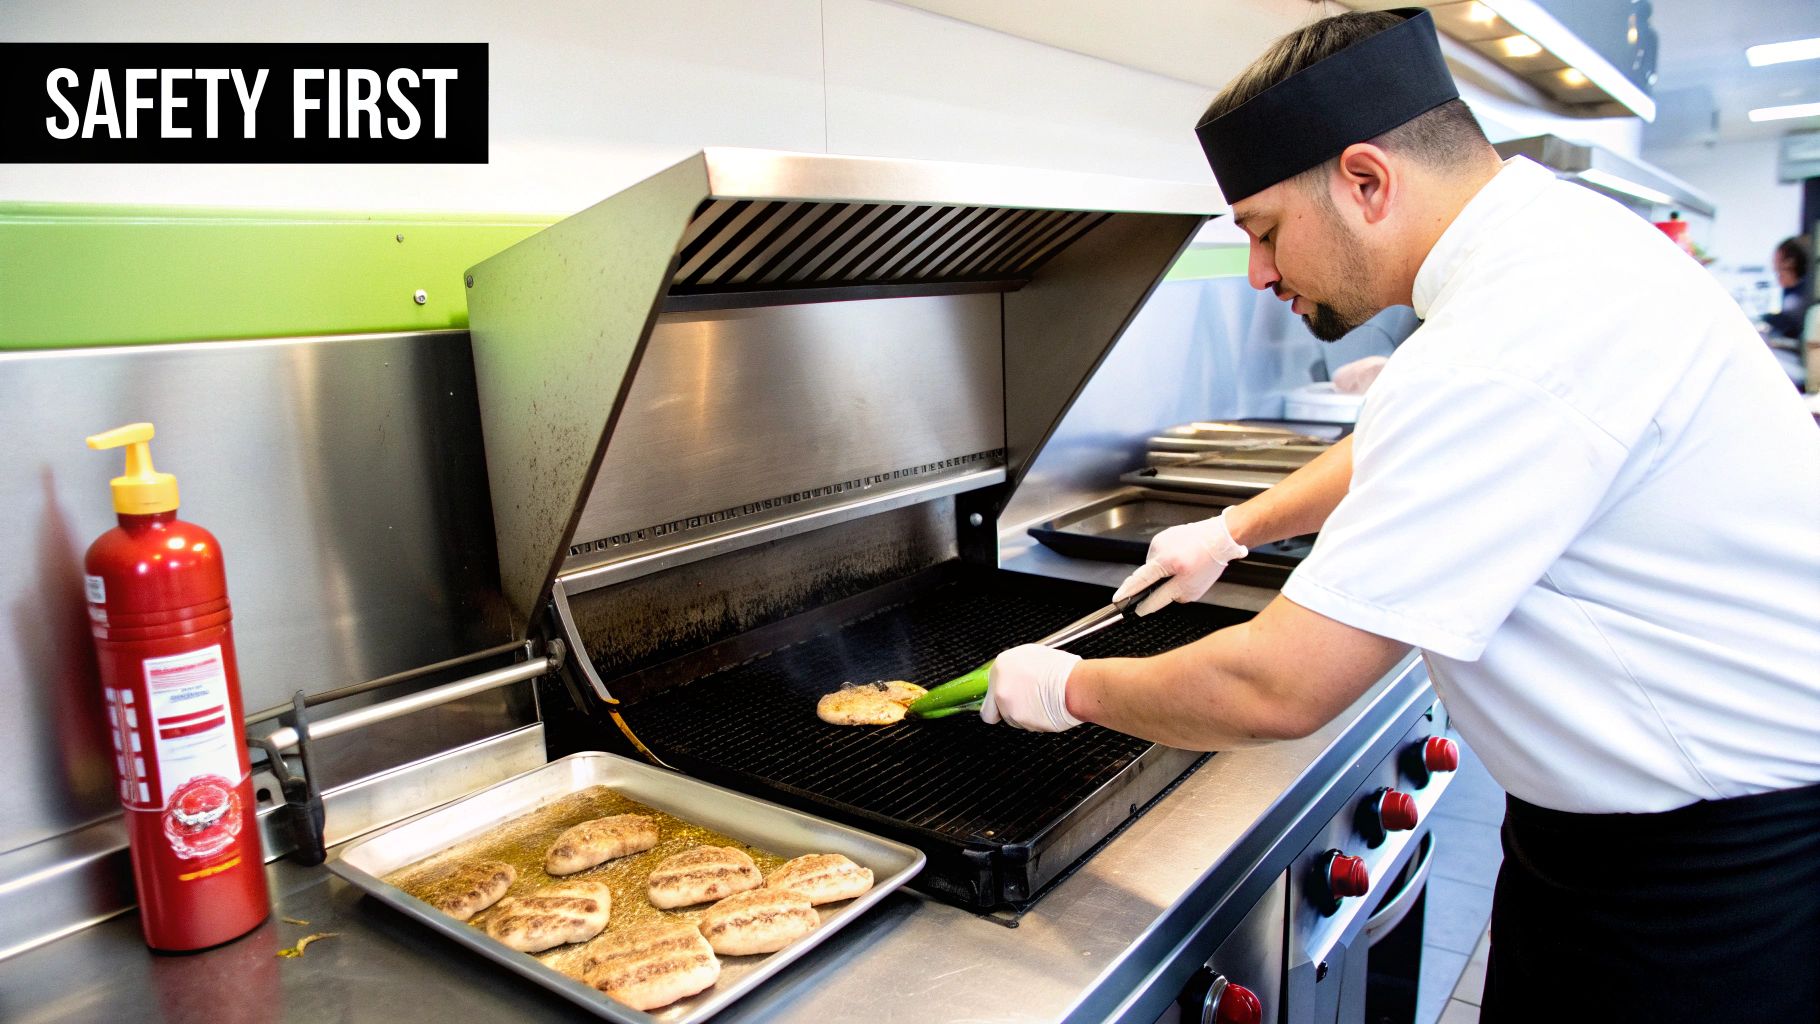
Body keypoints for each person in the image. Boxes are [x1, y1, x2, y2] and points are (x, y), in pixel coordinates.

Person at [979, 10, 1820, 1021]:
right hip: (1633, 834)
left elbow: (1275, 687)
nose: (1256, 272)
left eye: (1261, 230)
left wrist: (1066, 684)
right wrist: (1234, 526)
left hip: (1706, 879)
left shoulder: (1513, 326)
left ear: (1365, 181)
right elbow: (1396, 437)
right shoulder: (1541, 244)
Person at [1763, 235, 1811, 342]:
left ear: (1791, 263)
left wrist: (1764, 319)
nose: (1774, 265)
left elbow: (1791, 324)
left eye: (1780, 269)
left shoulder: (1806, 294)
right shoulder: (1791, 290)